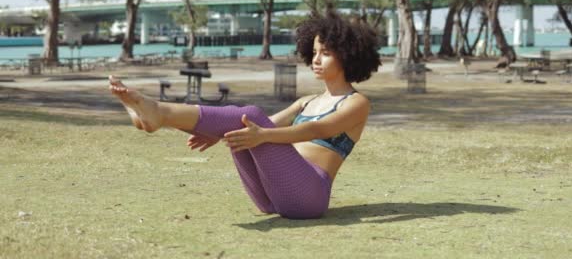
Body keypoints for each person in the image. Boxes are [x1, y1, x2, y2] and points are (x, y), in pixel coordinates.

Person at [108, 14, 381, 219]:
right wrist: (218, 134)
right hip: (271, 199)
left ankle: (159, 112)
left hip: (308, 196)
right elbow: (262, 125)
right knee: (243, 123)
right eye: (314, 53)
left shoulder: (357, 103)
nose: (316, 60)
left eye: (326, 53)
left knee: (250, 116)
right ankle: (155, 116)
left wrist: (262, 135)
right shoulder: (306, 101)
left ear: (347, 56)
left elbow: (317, 130)